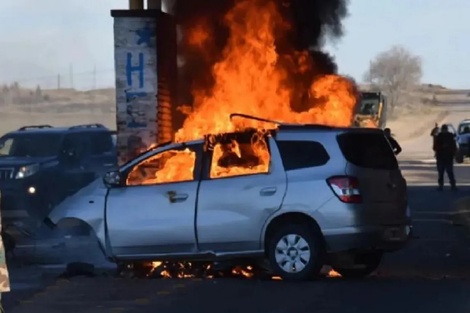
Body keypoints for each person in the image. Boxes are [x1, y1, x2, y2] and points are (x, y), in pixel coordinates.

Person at [433, 124, 457, 191]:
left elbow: (454, 146)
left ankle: (452, 185)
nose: (444, 131)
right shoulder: (440, 137)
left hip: (447, 157)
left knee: (448, 172)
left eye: (445, 129)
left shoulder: (449, 136)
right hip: (442, 157)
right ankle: (443, 185)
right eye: (444, 129)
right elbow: (435, 147)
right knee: (442, 172)